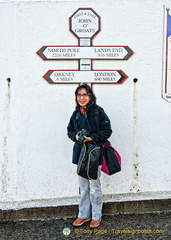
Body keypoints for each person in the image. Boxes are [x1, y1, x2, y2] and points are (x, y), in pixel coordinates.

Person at [67, 83, 112, 228]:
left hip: (94, 154)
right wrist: (75, 137)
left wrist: (91, 138)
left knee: (94, 186)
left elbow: (107, 131)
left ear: (90, 96)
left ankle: (96, 215)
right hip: (80, 154)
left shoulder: (98, 112)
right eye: (79, 95)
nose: (81, 98)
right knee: (83, 187)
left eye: (84, 95)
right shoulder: (76, 113)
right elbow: (69, 131)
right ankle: (83, 214)